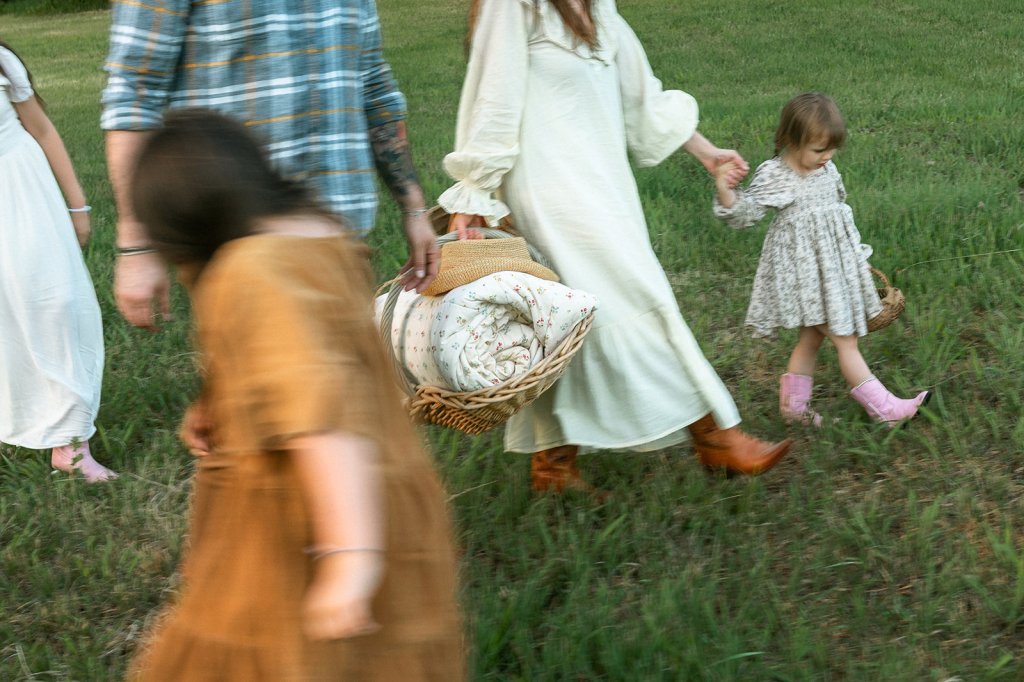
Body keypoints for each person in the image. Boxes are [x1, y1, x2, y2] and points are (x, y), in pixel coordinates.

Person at [125, 109, 463, 680]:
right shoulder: (316, 230)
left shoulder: (252, 271)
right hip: (383, 478)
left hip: (306, 513)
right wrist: (218, 401)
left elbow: (319, 419)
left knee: (278, 653)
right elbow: (294, 350)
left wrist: (348, 556)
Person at [440, 0, 792, 493]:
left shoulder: (599, 6)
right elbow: (492, 98)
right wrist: (473, 193)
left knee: (565, 317)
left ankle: (554, 465)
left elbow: (640, 97)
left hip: (604, 185)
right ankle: (714, 435)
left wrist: (708, 154)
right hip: (548, 190)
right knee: (632, 296)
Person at [101, 0, 438, 331]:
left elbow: (374, 83)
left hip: (342, 236)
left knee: (349, 364)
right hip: (237, 244)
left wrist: (413, 209)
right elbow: (134, 96)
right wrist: (137, 244)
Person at [713, 92, 929, 426]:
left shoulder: (827, 170)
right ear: (791, 140)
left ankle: (794, 409)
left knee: (811, 338)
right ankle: (886, 410)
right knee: (846, 340)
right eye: (818, 150)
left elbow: (839, 217)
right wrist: (725, 190)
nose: (827, 156)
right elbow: (746, 213)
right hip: (804, 278)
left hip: (830, 272)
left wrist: (855, 258)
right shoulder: (776, 174)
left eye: (832, 149)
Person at [0, 40, 115, 483]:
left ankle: (70, 445)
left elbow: (43, 130)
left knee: (56, 304)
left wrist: (78, 206)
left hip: (22, 191)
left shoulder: (2, 60)